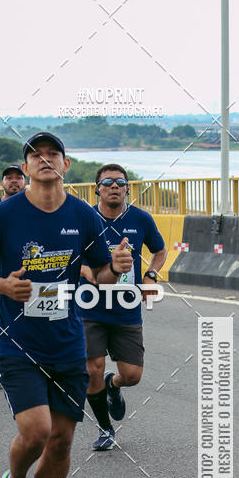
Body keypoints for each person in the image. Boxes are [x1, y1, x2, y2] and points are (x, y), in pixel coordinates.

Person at [0, 132, 132, 478]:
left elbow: (101, 275)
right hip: (18, 343)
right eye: (36, 155)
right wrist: (1, 285)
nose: (45, 160)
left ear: (65, 165)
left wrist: (116, 267)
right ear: (26, 168)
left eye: (53, 154)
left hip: (67, 343)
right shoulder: (3, 215)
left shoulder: (81, 215)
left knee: (61, 441)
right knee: (36, 432)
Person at [80, 164, 167, 450]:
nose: (114, 186)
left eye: (120, 182)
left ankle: (113, 385)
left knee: (132, 376)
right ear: (97, 189)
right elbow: (69, 254)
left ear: (128, 188)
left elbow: (160, 250)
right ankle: (105, 428)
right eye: (107, 182)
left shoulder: (141, 218)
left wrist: (151, 274)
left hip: (126, 309)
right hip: (89, 307)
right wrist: (83, 269)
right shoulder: (85, 218)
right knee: (92, 368)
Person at [0, 164, 26, 388]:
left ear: (25, 181)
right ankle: (0, 364)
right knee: (5, 317)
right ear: (2, 183)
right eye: (9, 178)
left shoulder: (33, 209)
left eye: (18, 177)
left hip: (27, 276)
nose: (14, 181)